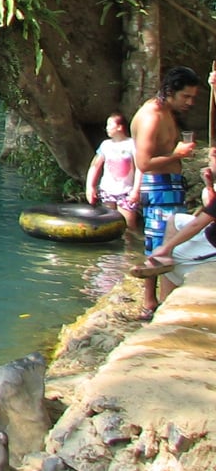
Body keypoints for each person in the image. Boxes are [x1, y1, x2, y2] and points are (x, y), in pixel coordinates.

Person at [130, 65, 203, 318]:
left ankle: (163, 296)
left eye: (194, 97)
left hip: (172, 184)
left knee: (171, 240)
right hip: (158, 185)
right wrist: (177, 154)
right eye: (186, 96)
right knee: (157, 242)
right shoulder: (151, 116)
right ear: (170, 91)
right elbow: (143, 163)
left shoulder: (167, 112)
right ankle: (149, 302)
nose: (190, 102)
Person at [134, 161, 216, 308]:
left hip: (212, 243)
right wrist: (210, 185)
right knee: (175, 219)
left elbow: (199, 223)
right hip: (210, 232)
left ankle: (166, 298)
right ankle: (165, 258)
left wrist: (167, 248)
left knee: (175, 255)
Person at [85, 111, 139, 233]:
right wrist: (90, 187)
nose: (107, 128)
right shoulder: (105, 145)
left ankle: (131, 251)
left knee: (129, 227)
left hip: (126, 191)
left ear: (120, 127)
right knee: (109, 225)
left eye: (110, 125)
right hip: (107, 191)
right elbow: (94, 166)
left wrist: (136, 190)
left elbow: (140, 168)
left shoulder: (131, 144)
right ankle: (110, 252)